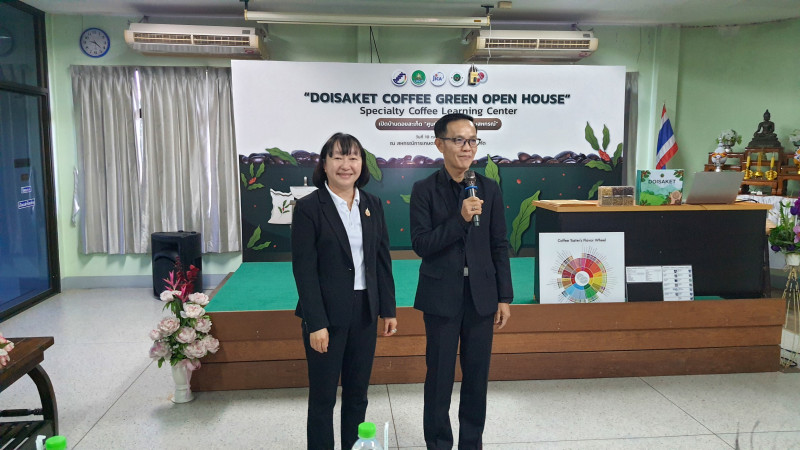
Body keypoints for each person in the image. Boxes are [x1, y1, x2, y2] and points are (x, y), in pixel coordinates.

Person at [410, 114, 513, 449]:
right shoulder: (424, 190)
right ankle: (439, 444)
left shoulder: (489, 189)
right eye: (459, 140)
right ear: (439, 144)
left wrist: (504, 297)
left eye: (472, 140)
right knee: (439, 378)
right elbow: (421, 244)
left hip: (481, 297)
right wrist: (460, 218)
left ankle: (471, 443)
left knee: (476, 380)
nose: (467, 147)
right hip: (441, 296)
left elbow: (499, 244)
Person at [292, 133, 398, 450]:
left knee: (357, 394)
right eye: (337, 157)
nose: (345, 165)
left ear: (361, 164)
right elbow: (304, 270)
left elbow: (381, 260)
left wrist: (388, 309)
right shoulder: (309, 208)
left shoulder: (372, 204)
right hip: (326, 315)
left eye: (353, 157)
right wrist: (316, 323)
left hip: (365, 310)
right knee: (323, 397)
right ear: (324, 164)